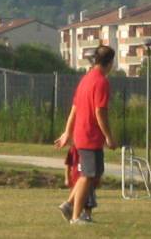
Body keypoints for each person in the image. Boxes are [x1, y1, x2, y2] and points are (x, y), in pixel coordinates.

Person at [55, 45, 116, 225]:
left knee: (91, 173)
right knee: (88, 174)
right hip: (90, 136)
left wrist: (68, 132)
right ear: (109, 62)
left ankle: (68, 205)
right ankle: (75, 216)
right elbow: (100, 112)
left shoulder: (86, 79)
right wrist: (109, 136)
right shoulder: (101, 82)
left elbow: (74, 109)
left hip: (81, 134)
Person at [64, 145, 98, 222]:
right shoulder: (73, 149)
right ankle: (75, 216)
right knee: (77, 199)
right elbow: (68, 164)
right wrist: (67, 178)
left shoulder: (89, 148)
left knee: (89, 200)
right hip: (76, 179)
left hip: (88, 179)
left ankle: (87, 216)